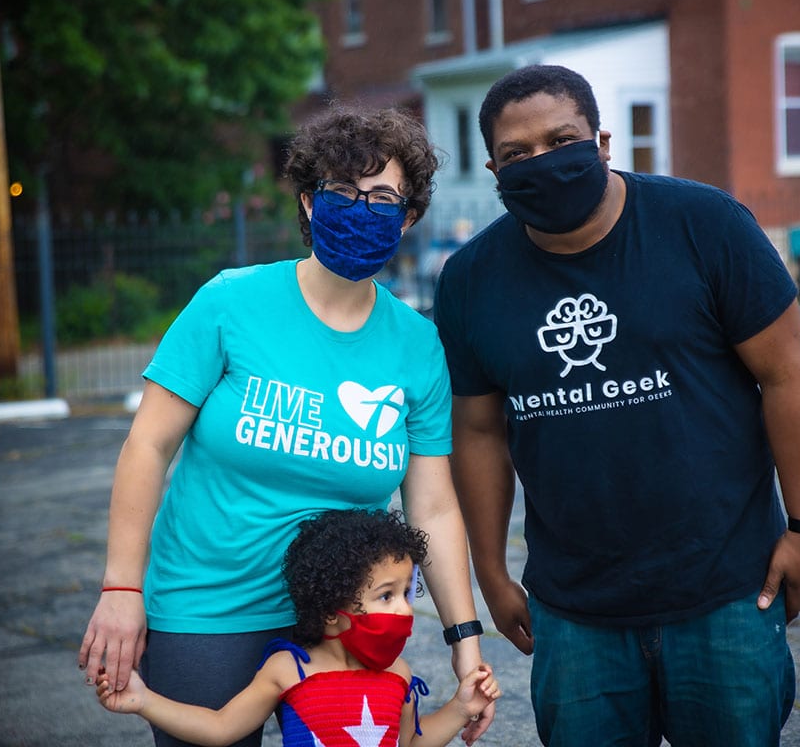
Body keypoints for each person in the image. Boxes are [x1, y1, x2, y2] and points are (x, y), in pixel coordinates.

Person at [433, 64, 800, 746]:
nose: (542, 164)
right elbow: (477, 430)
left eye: (561, 141)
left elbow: (788, 376)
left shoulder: (706, 227)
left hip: (725, 588)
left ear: (603, 142)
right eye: (516, 155)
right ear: (495, 171)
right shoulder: (471, 279)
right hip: (575, 608)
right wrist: (492, 571)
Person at [79, 105, 494, 747]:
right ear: (307, 202)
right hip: (206, 609)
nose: (362, 208)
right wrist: (120, 588)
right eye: (340, 192)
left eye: (383, 196)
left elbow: (434, 506)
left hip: (343, 627)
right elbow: (148, 445)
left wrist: (465, 640)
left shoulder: (417, 345)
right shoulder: (229, 303)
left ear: (409, 216)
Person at [93, 508, 501, 747]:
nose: (405, 611)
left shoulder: (398, 676)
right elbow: (220, 728)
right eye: (386, 596)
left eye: (407, 595)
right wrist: (143, 701)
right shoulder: (290, 670)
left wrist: (460, 707)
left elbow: (410, 742)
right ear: (330, 609)